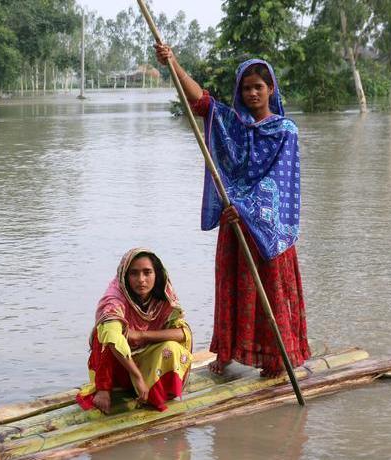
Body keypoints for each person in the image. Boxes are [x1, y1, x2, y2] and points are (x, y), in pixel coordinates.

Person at [154, 45, 310, 378]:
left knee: (271, 291)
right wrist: (172, 64)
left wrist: (248, 208)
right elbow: (202, 103)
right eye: (246, 87)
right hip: (235, 224)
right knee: (231, 289)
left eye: (259, 87)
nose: (252, 93)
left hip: (268, 229)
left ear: (271, 90)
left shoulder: (286, 131)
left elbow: (281, 184)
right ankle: (225, 355)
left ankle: (276, 360)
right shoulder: (233, 126)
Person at [76, 248, 193, 413]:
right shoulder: (114, 299)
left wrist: (141, 335)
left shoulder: (163, 297)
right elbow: (112, 340)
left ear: (156, 274)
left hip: (142, 357)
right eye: (134, 273)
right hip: (117, 366)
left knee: (172, 348)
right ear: (125, 276)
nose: (141, 280)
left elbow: (183, 333)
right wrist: (137, 377)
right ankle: (104, 389)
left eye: (147, 273)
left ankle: (154, 392)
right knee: (105, 332)